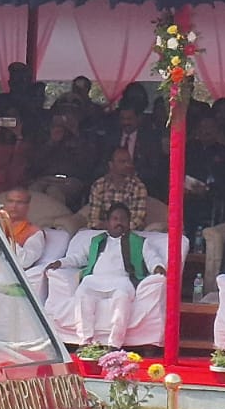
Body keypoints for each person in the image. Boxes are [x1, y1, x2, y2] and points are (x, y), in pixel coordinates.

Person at [46, 203, 164, 347]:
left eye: (123, 219)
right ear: (107, 222)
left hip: (122, 282)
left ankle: (114, 344)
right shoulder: (97, 241)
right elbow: (79, 258)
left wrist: (158, 267)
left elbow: (152, 258)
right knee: (83, 297)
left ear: (129, 222)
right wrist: (60, 263)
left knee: (121, 300)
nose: (119, 222)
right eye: (115, 219)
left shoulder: (139, 242)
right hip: (93, 281)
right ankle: (85, 342)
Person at [84, 147, 148, 230]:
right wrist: (108, 227)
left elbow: (138, 221)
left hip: (129, 234)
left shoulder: (138, 187)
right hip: (103, 232)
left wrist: (115, 227)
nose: (128, 165)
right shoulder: (99, 186)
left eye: (129, 161)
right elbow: (93, 219)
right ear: (111, 165)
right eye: (122, 162)